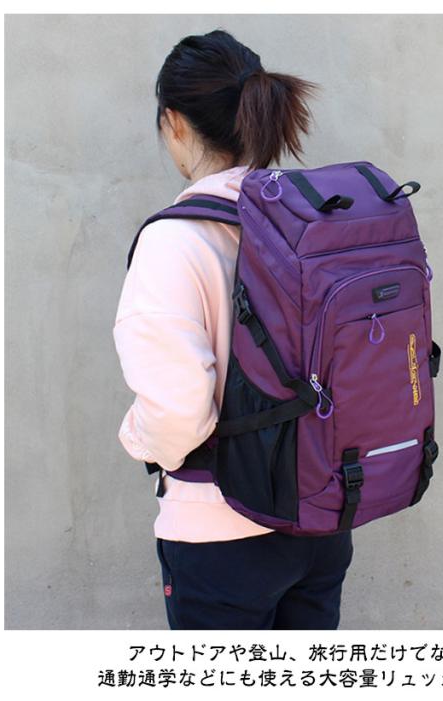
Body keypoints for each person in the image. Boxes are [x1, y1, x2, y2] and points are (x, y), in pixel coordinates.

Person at [113, 30, 354, 630]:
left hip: (220, 534)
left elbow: (177, 412)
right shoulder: (307, 220)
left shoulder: (175, 240)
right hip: (322, 516)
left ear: (174, 122)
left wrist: (139, 440)